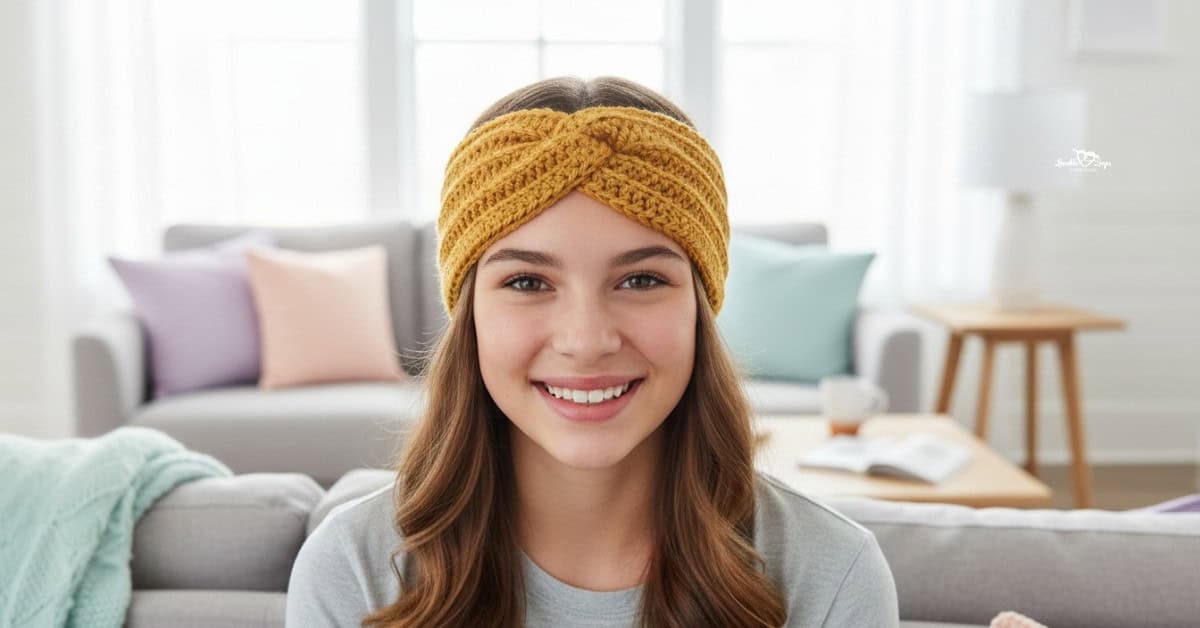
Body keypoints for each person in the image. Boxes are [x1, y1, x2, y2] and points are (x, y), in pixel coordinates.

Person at [286, 75, 899, 627]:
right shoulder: (353, 570)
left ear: (699, 309)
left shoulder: (833, 576)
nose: (585, 341)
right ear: (470, 313)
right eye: (527, 282)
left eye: (640, 280)